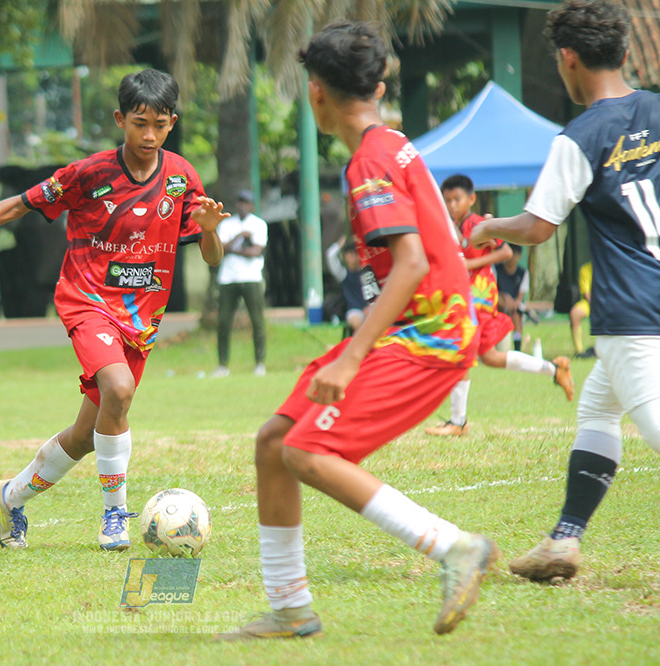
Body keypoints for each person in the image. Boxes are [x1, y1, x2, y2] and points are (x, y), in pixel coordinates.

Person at [218, 21, 497, 641]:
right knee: (274, 443)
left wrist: (350, 359)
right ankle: (290, 609)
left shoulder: (370, 159)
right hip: (414, 324)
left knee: (307, 451)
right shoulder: (392, 142)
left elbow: (414, 264)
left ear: (315, 92)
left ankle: (454, 547)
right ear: (378, 82)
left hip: (431, 334)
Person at [0, 69, 227, 552]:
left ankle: (9, 497)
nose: (149, 135)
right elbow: (22, 205)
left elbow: (211, 259)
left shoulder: (182, 177)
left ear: (173, 122)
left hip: (140, 321)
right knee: (119, 388)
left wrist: (210, 230)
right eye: (138, 122)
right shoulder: (90, 174)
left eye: (160, 124)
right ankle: (115, 516)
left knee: (89, 434)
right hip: (86, 300)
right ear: (120, 120)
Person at [471, 0, 660, 581]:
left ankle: (562, 541)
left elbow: (537, 226)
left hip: (631, 312)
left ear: (568, 59)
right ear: (626, 53)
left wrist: (485, 226)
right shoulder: (656, 109)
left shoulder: (579, 136)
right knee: (598, 407)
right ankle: (563, 542)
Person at [424, 174, 573, 437]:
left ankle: (458, 422)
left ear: (471, 199)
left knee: (460, 351)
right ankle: (554, 368)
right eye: (447, 200)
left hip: (479, 297)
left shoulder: (477, 224)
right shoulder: (453, 227)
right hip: (464, 298)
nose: (451, 205)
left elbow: (505, 252)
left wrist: (468, 264)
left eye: (456, 199)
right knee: (490, 358)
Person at [212, 189, 268, 377]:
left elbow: (256, 252)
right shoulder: (227, 225)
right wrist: (240, 236)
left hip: (251, 277)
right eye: (240, 202)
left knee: (257, 321)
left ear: (252, 206)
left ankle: (260, 362)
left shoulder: (259, 224)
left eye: (246, 203)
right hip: (228, 278)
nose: (243, 206)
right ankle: (222, 364)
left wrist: (232, 249)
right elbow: (220, 249)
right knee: (224, 322)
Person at [325, 238, 367, 335]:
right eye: (349, 255)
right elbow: (330, 256)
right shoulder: (343, 274)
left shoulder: (366, 272)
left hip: (369, 309)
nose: (352, 258)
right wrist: (339, 245)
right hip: (354, 311)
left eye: (354, 254)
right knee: (358, 323)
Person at [495, 243, 532, 351]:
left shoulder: (523, 273)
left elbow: (520, 296)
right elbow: (492, 290)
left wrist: (514, 303)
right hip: (498, 304)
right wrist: (504, 297)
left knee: (516, 315)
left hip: (514, 308)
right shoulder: (496, 269)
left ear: (519, 256)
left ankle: (517, 349)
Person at [570, 261, 595, 357]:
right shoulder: (586, 269)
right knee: (575, 313)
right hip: (590, 303)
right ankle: (579, 351)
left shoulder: (608, 267)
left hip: (607, 303)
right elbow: (586, 293)